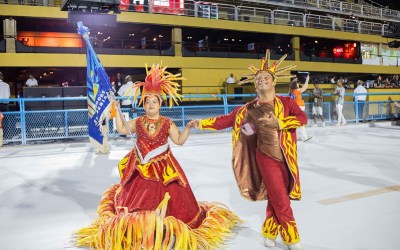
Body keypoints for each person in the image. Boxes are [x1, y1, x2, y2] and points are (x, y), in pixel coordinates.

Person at [75, 63, 240, 249]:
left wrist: (187, 129)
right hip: (140, 166)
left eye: (154, 101)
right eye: (147, 101)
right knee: (136, 198)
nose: (150, 105)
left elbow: (178, 141)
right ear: (143, 104)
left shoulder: (167, 123)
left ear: (160, 104)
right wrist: (118, 112)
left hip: (164, 169)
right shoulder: (138, 121)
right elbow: (121, 129)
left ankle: (161, 226)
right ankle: (138, 226)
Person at [194, 50, 307, 250]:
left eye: (265, 77)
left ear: (272, 82)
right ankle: (292, 237)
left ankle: (269, 232)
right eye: (258, 78)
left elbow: (302, 119)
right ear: (255, 85)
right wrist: (201, 123)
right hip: (265, 158)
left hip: (287, 159)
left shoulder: (287, 103)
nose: (261, 80)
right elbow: (226, 120)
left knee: (276, 196)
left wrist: (279, 122)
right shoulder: (248, 108)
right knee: (280, 197)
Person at [290, 74, 312, 141]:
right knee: (301, 122)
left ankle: (296, 137)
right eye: (297, 83)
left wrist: (295, 80)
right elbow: (305, 87)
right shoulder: (296, 91)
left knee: (297, 123)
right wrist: (307, 80)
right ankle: (305, 137)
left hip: (296, 108)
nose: (298, 84)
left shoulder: (292, 91)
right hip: (299, 107)